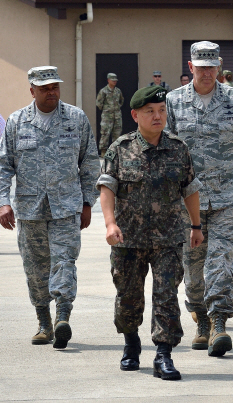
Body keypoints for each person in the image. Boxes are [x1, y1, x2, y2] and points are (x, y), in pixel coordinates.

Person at [97, 86, 204, 381]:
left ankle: (163, 355)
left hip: (168, 238)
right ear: (135, 115)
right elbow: (107, 188)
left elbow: (190, 189)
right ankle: (131, 345)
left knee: (166, 296)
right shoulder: (119, 148)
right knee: (128, 297)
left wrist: (195, 226)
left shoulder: (178, 148)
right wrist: (109, 223)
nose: (158, 117)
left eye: (162, 111)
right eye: (150, 112)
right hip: (127, 239)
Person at [166, 41, 233, 357]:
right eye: (201, 67)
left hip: (228, 198)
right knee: (193, 268)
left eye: (212, 67)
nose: (207, 73)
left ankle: (219, 322)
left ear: (218, 68)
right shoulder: (172, 102)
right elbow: (163, 151)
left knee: (220, 260)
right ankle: (201, 321)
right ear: (191, 67)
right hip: (186, 202)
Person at [0, 66, 99, 349]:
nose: (51, 92)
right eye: (44, 88)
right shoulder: (18, 121)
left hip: (66, 208)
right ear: (32, 90)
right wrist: (3, 202)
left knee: (64, 262)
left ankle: (62, 317)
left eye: (54, 87)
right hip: (30, 209)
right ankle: (44, 322)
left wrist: (87, 203)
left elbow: (90, 163)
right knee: (36, 269)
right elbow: (4, 165)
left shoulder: (76, 119)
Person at [96, 72, 124, 157]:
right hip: (107, 117)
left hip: (117, 116)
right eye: (113, 80)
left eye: (115, 80)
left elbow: (121, 101)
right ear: (108, 80)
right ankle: (103, 151)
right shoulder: (103, 91)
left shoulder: (118, 91)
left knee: (117, 134)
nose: (114, 82)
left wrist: (116, 108)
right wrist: (107, 109)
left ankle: (115, 151)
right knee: (105, 133)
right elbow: (99, 103)